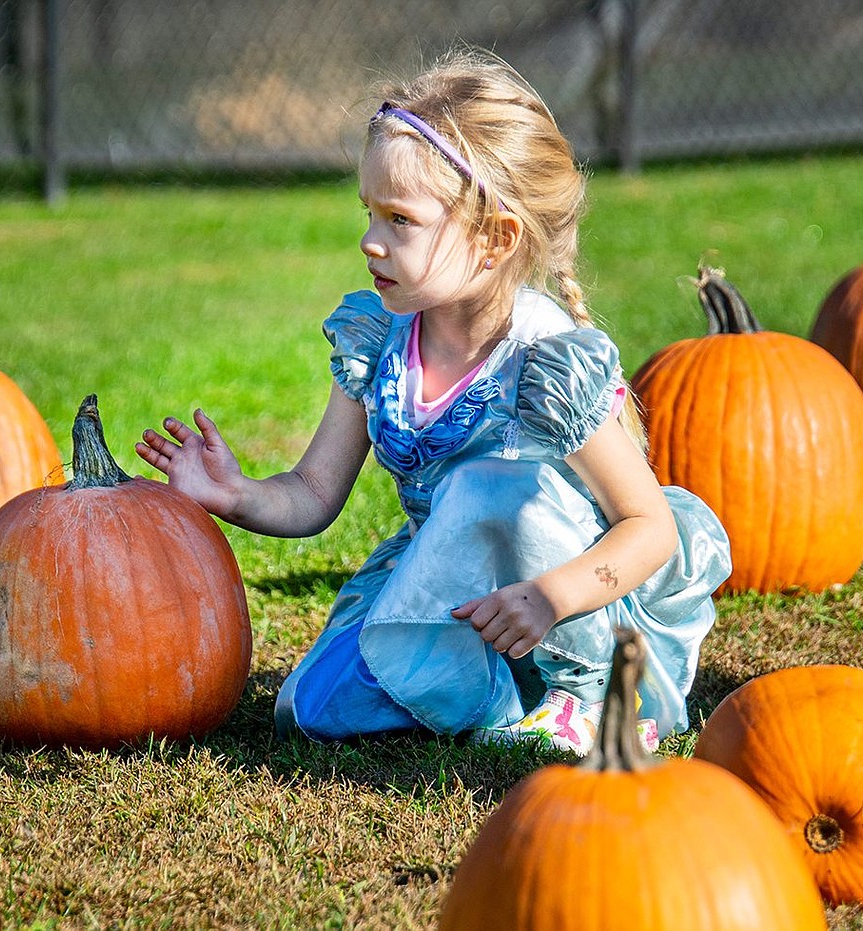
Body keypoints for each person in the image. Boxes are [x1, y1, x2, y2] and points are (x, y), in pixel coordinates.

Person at [135, 46, 731, 756]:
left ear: (494, 239)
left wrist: (554, 596)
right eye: (370, 213)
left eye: (400, 220)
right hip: (453, 590)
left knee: (492, 486)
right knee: (310, 707)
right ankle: (503, 706)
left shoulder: (543, 354)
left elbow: (650, 527)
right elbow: (313, 491)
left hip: (567, 601)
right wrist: (238, 494)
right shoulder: (381, 342)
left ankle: (589, 696)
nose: (370, 242)